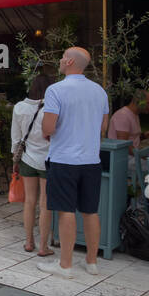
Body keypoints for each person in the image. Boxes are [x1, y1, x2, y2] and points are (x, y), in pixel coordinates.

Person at [40, 47, 110, 278]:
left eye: (62, 57)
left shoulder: (56, 90)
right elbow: (103, 128)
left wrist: (49, 132)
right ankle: (92, 262)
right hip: (91, 159)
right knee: (91, 211)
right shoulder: (99, 91)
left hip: (64, 158)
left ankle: (65, 265)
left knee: (65, 210)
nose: (60, 60)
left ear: (69, 61)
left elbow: (48, 127)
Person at [12, 75, 53, 257]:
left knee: (29, 201)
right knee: (45, 204)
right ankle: (43, 247)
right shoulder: (52, 109)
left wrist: (15, 160)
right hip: (48, 159)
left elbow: (16, 137)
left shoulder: (19, 107)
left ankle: (29, 241)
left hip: (27, 158)